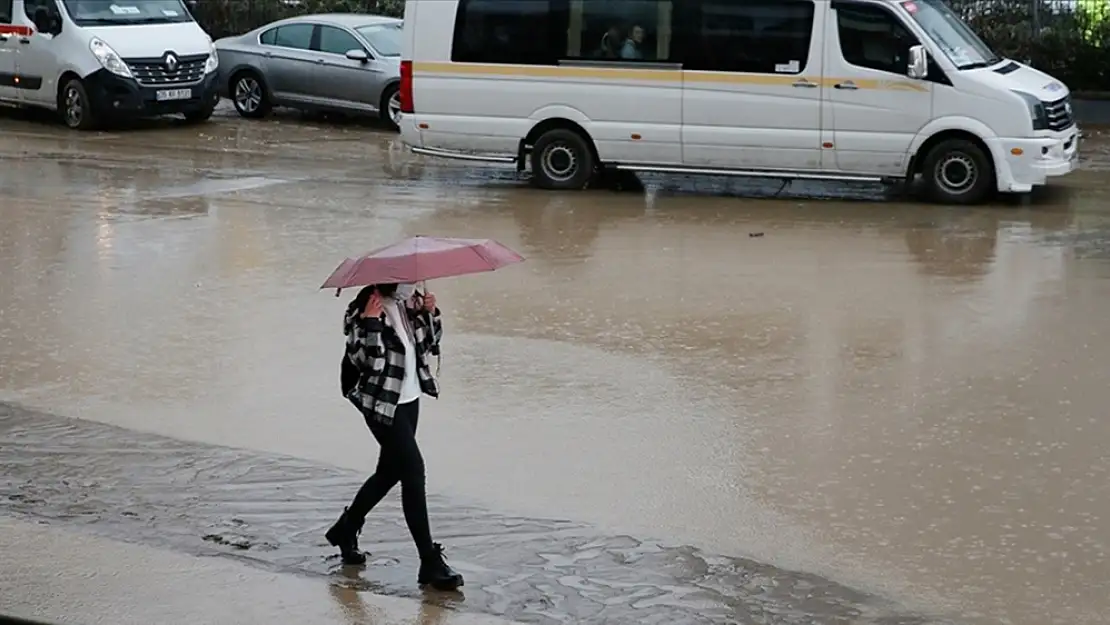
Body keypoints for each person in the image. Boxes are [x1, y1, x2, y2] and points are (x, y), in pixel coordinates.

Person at [326, 281, 464, 591]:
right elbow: (370, 364)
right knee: (414, 472)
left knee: (390, 472)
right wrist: (372, 322)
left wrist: (429, 313)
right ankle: (429, 561)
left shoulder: (406, 304)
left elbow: (429, 345)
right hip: (380, 402)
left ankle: (346, 529)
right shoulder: (363, 309)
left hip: (409, 399)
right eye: (406, 280)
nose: (411, 284)